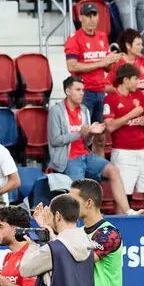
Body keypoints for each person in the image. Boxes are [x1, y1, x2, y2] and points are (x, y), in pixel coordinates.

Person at [49, 76, 130, 211]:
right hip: (69, 158)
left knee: (113, 171)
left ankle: (128, 212)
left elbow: (86, 141)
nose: (82, 93)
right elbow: (55, 140)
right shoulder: (56, 111)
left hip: (85, 154)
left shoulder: (84, 110)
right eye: (78, 90)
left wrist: (91, 133)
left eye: (83, 90)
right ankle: (78, 221)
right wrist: (79, 134)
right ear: (68, 91)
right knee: (79, 191)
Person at [104, 64, 144, 213]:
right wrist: (131, 115)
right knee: (122, 197)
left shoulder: (139, 95)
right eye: (135, 79)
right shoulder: (110, 99)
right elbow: (110, 127)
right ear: (125, 79)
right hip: (123, 152)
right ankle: (119, 232)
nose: (138, 82)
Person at [64, 3, 117, 123]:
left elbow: (107, 69)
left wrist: (111, 60)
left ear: (98, 17)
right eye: (88, 15)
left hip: (101, 91)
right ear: (81, 17)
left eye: (94, 15)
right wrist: (100, 63)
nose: (92, 19)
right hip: (84, 92)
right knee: (85, 131)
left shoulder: (102, 36)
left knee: (100, 134)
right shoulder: (74, 39)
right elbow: (72, 66)